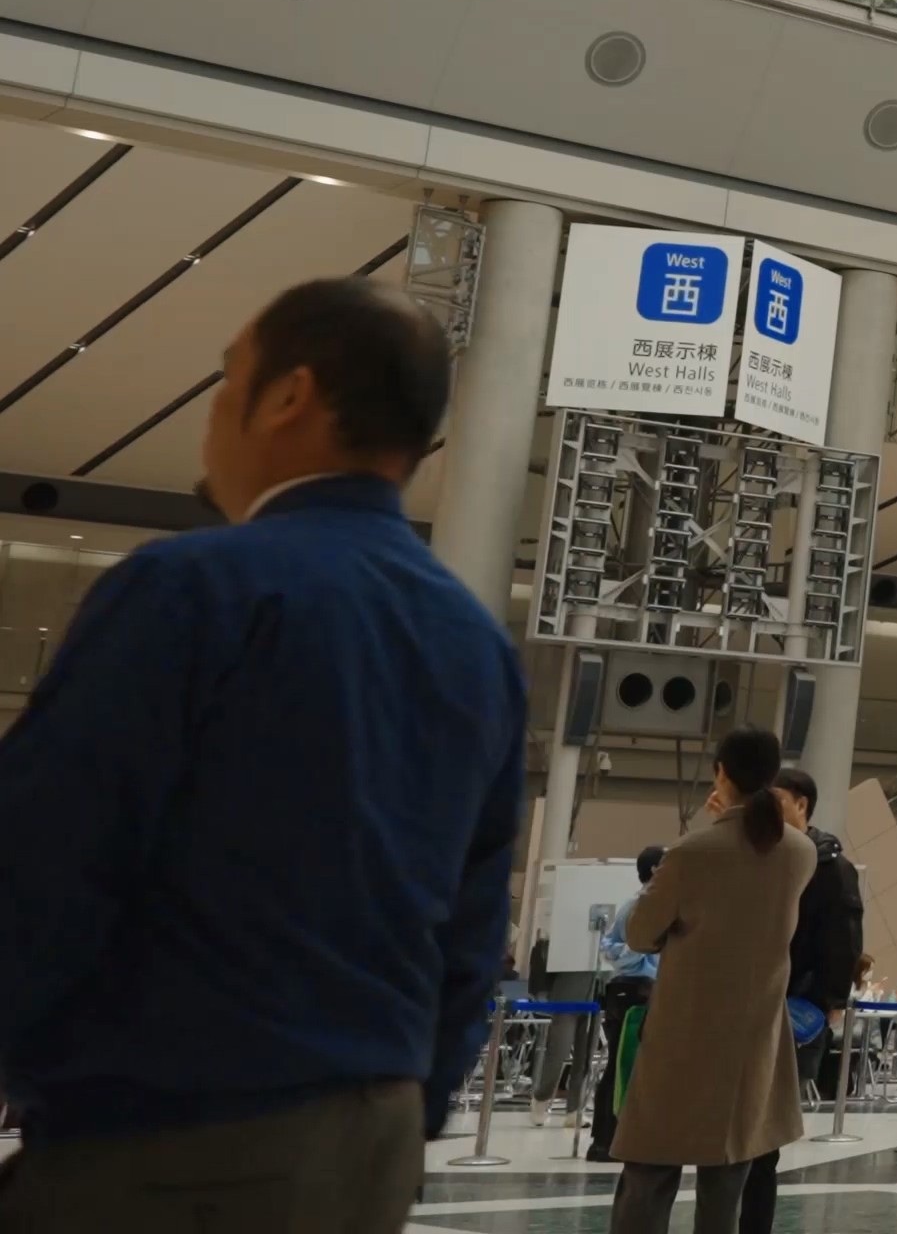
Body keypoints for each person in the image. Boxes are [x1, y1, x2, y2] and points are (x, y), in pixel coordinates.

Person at [0, 277, 523, 1234]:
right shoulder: (476, 642)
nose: (212, 412)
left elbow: (47, 857)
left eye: (227, 379)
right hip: (373, 1139)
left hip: (169, 1134)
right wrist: (412, 1107)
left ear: (288, 395)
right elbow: (472, 928)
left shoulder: (191, 587)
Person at [607, 729, 817, 1234]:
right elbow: (756, 849)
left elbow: (639, 934)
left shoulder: (692, 851)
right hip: (753, 1040)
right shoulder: (800, 852)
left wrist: (718, 823)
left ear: (721, 772)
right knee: (727, 1177)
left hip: (683, 1034)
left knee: (650, 1172)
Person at [736, 766, 863, 1234]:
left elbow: (844, 939)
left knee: (763, 1129)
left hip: (795, 1003)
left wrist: (829, 1000)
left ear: (801, 804)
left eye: (778, 802)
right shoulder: (760, 855)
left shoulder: (829, 866)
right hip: (746, 1000)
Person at [594, 846, 672, 1157]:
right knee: (622, 1064)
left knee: (633, 1066)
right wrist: (638, 952)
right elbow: (613, 947)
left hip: (646, 990)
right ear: (654, 870)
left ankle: (622, 1137)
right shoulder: (639, 906)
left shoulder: (656, 906)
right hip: (633, 992)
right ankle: (606, 1139)